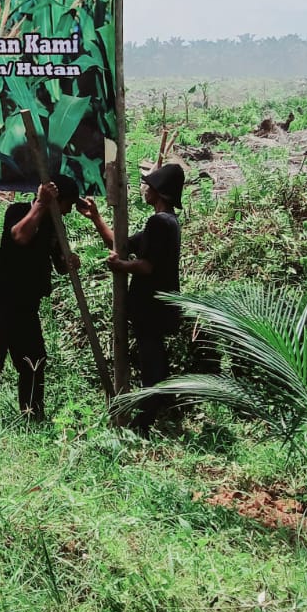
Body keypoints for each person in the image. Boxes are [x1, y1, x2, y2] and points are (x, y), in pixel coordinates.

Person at [0, 177, 84, 420]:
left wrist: (69, 262)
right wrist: (41, 204)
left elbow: (59, 263)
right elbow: (20, 236)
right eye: (68, 204)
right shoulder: (18, 211)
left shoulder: (56, 225)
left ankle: (32, 413)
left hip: (26, 305)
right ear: (55, 200)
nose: (70, 210)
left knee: (34, 359)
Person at [87, 163, 185, 433]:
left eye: (149, 186)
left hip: (150, 307)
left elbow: (146, 266)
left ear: (160, 193)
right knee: (155, 357)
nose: (145, 189)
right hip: (158, 306)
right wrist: (96, 218)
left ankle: (145, 420)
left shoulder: (159, 222)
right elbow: (122, 245)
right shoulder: (166, 223)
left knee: (150, 361)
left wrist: (121, 266)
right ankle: (165, 407)